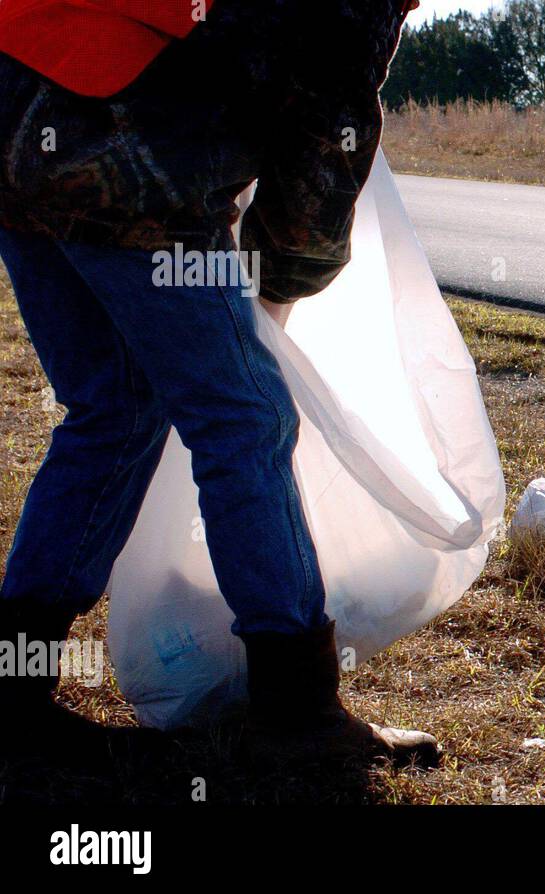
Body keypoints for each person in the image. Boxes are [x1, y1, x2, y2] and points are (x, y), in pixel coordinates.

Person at [0, 0, 438, 766]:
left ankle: (10, 687)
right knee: (244, 418)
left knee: (115, 409)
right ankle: (297, 708)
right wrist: (280, 285)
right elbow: (322, 151)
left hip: (14, 116)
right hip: (114, 136)